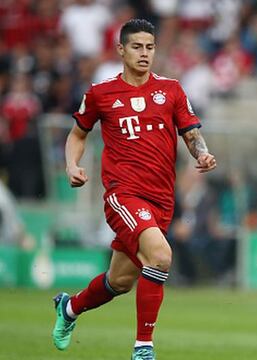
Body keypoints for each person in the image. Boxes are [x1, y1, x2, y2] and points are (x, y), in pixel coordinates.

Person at [51, 19, 217, 360]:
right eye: (137, 47)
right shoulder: (100, 93)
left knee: (120, 281)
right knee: (161, 255)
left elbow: (190, 133)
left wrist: (202, 153)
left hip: (161, 198)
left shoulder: (171, 90)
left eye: (150, 47)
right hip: (122, 194)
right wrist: (72, 164)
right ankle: (143, 347)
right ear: (121, 50)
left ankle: (69, 308)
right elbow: (77, 134)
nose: (144, 53)